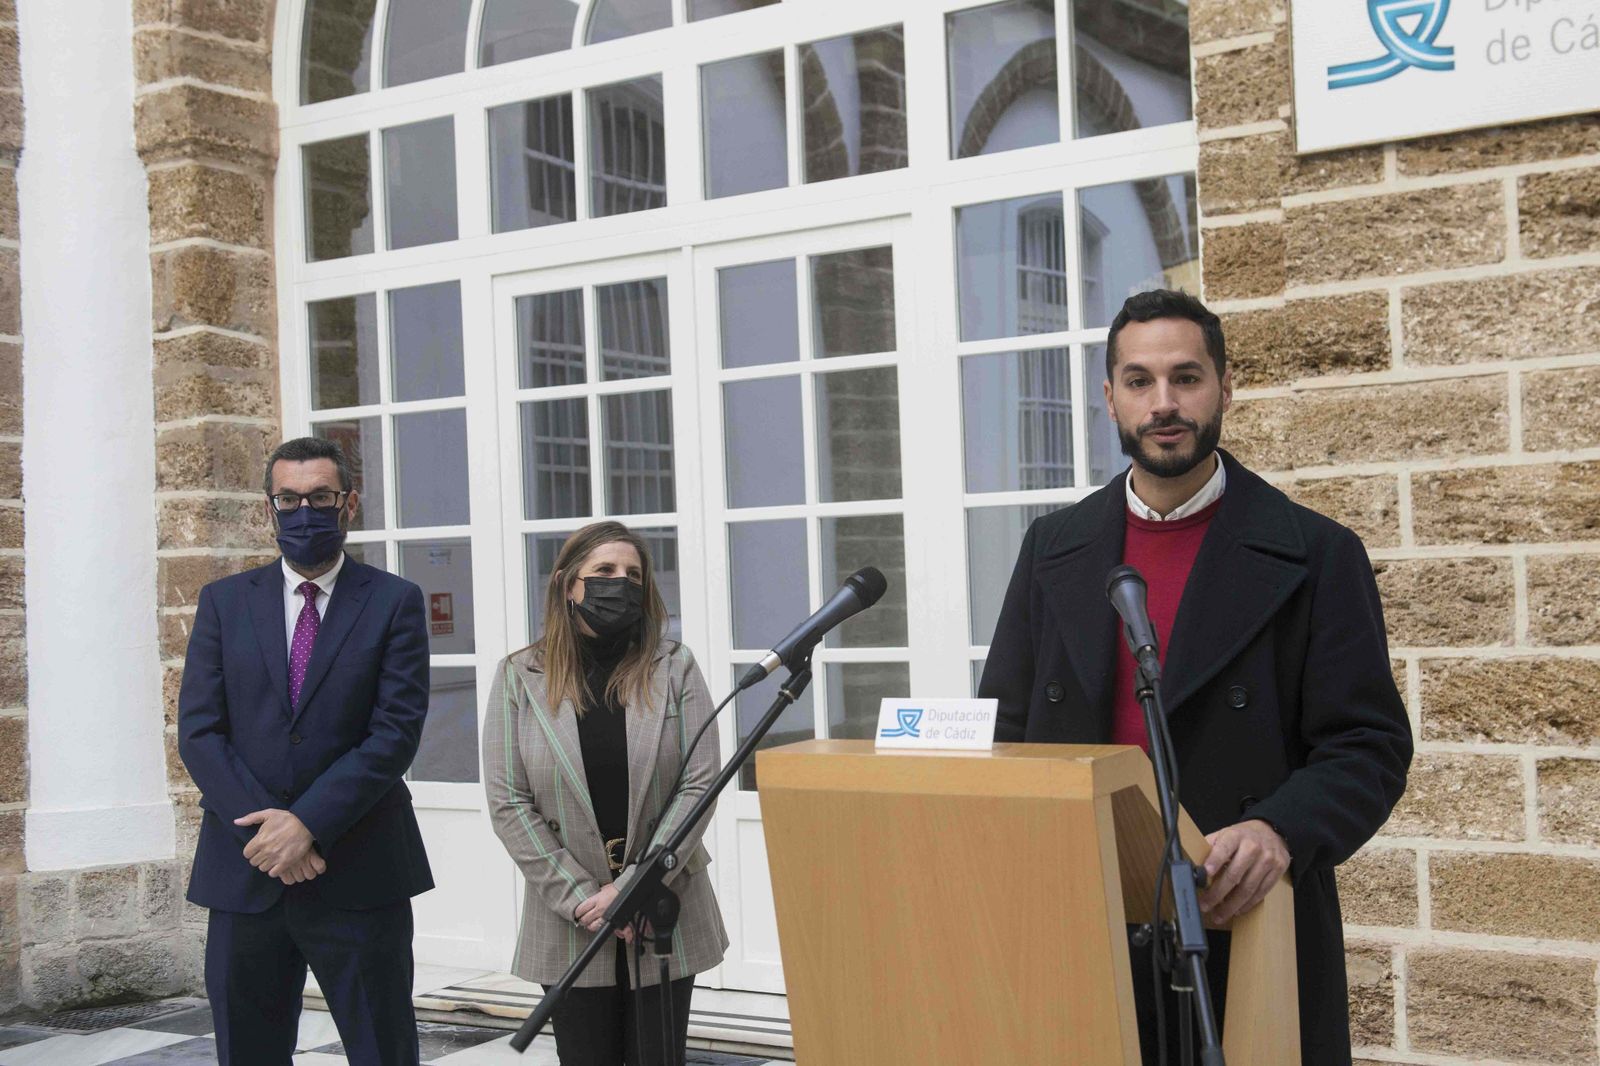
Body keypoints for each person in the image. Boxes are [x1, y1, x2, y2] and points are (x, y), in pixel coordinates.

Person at [979, 289, 1412, 1066]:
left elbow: (1368, 746)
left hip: (1243, 917)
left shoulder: (1315, 553)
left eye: (1187, 377)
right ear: (1109, 399)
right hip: (1081, 919)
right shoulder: (1051, 549)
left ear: (1225, 388)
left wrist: (1280, 828)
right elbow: (1005, 730)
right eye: (1140, 382)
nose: (1165, 402)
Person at [178, 437, 433, 1066]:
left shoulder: (394, 601)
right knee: (250, 1051)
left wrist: (308, 824)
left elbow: (395, 731)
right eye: (288, 499)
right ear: (269, 508)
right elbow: (199, 732)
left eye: (320, 497)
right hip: (248, 868)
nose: (304, 512)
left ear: (348, 504)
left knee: (383, 1048)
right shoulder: (223, 602)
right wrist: (271, 834)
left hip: (359, 865)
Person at [484, 521, 728, 1066]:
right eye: (603, 572)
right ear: (567, 584)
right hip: (570, 912)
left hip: (664, 905)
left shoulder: (674, 667)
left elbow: (700, 781)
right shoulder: (520, 677)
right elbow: (508, 800)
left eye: (633, 575)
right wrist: (582, 898)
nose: (620, 583)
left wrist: (640, 882)